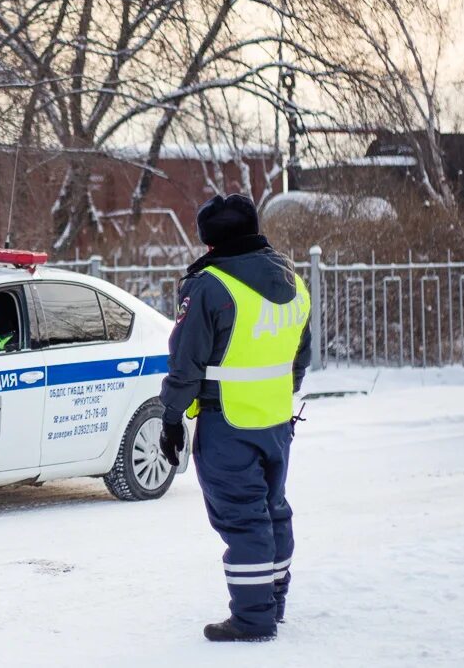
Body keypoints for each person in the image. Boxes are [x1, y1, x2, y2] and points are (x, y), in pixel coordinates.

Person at [158, 193, 311, 643]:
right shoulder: (293, 281)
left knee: (243, 519)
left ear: (209, 242)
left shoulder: (210, 286)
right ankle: (273, 602)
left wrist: (171, 417)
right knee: (272, 510)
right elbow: (300, 355)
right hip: (277, 419)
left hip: (228, 422)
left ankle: (252, 618)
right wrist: (280, 394)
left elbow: (186, 363)